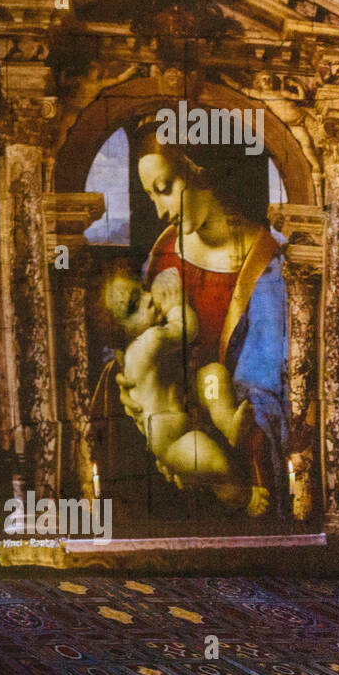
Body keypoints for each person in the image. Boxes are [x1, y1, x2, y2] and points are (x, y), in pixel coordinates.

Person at [113, 118, 285, 516]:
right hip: (171, 427)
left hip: (229, 431)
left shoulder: (262, 261)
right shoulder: (164, 250)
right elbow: (134, 331)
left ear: (201, 171)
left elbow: (268, 373)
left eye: (165, 190)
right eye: (151, 196)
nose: (159, 210)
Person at [102, 265, 249, 504]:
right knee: (214, 460)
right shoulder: (150, 341)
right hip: (172, 441)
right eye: (134, 306)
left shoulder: (143, 346)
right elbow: (187, 330)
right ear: (121, 333)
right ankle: (240, 496)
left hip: (186, 403)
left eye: (143, 290)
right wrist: (175, 306)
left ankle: (228, 421)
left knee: (212, 376)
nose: (150, 299)